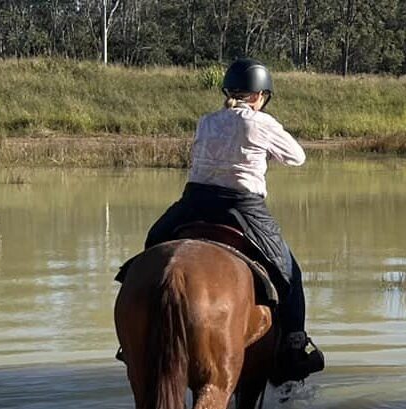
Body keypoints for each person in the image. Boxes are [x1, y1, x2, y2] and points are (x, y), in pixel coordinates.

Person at [122, 58, 323, 384]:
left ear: (228, 90)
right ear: (260, 95)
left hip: (195, 201)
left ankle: (134, 338)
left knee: (152, 244)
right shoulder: (262, 122)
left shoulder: (206, 121)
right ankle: (294, 344)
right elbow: (297, 157)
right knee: (289, 273)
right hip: (243, 205)